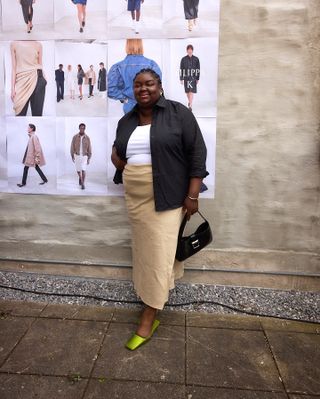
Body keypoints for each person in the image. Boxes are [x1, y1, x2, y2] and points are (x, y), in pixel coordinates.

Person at [111, 68, 208, 350]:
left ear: (160, 86)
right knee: (147, 253)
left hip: (168, 197)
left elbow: (197, 153)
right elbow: (120, 152)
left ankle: (149, 315)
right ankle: (153, 297)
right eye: (138, 85)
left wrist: (192, 196)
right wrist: (119, 160)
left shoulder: (178, 113)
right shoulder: (126, 120)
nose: (143, 89)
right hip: (136, 198)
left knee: (157, 253)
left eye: (149, 84)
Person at [108, 39, 162, 114]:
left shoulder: (118, 67)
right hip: (148, 106)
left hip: (129, 106)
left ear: (127, 46)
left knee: (131, 125)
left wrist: (124, 98)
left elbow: (111, 90)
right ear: (141, 45)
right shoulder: (152, 64)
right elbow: (157, 88)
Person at [11, 40, 47, 116]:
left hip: (37, 79)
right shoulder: (14, 44)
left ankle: (29, 28)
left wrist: (44, 79)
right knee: (19, 115)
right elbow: (14, 68)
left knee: (37, 115)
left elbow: (40, 64)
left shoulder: (38, 44)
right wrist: (12, 89)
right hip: (21, 81)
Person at [70, 123, 92, 190]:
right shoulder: (75, 137)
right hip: (77, 155)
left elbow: (89, 148)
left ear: (84, 129)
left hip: (84, 156)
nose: (82, 129)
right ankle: (80, 177)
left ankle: (82, 183)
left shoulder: (87, 138)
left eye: (83, 128)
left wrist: (89, 158)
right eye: (81, 128)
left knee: (83, 169)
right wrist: (72, 155)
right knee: (78, 169)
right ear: (79, 128)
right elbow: (72, 146)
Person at [179, 44, 200, 111]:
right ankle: (190, 101)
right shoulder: (183, 59)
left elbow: (198, 68)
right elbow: (181, 69)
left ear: (192, 50)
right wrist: (181, 78)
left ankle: (190, 105)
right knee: (187, 91)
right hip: (186, 77)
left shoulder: (196, 59)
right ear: (187, 50)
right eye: (188, 49)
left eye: (191, 49)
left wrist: (197, 78)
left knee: (191, 91)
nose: (190, 51)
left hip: (193, 77)